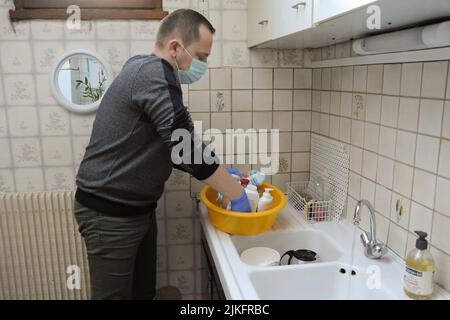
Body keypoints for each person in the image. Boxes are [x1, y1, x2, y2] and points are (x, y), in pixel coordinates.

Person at [73, 9, 250, 300]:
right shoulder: (152, 73)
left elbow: (174, 144)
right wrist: (235, 193)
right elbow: (184, 149)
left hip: (137, 208)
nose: (203, 64)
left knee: (143, 293)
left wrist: (221, 173)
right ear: (175, 47)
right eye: (201, 56)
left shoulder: (151, 73)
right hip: (109, 211)